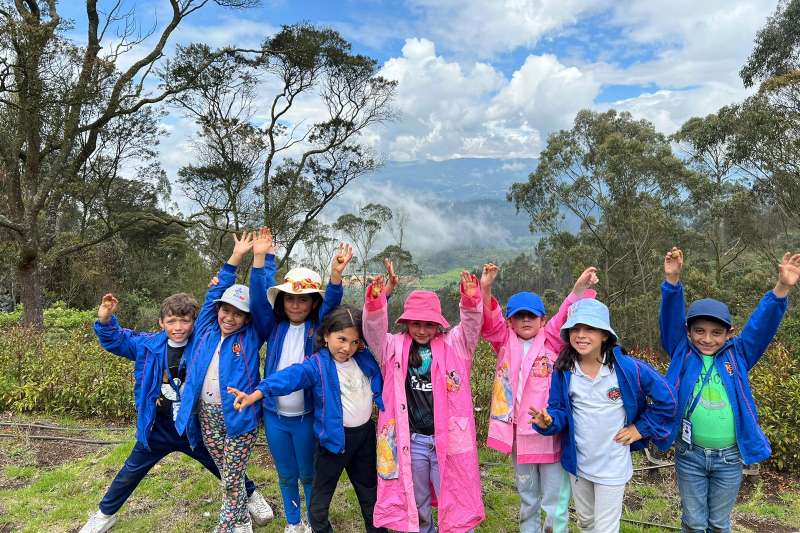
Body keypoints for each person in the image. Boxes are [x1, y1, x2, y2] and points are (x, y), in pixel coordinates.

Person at [80, 292, 272, 533]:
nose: (178, 327)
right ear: (161, 323)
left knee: (223, 465)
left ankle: (251, 494)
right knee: (131, 470)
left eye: (185, 321)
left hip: (192, 428)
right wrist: (106, 320)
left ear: (195, 322)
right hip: (157, 428)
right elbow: (117, 340)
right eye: (171, 321)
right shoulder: (148, 345)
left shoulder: (204, 343)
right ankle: (104, 514)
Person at [660, 247, 800, 533]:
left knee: (718, 523)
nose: (707, 338)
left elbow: (760, 327)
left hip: (730, 457)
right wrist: (672, 282)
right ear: (688, 332)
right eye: (699, 331)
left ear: (729, 334)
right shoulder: (681, 351)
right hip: (690, 455)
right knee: (693, 522)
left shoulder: (739, 354)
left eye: (716, 332)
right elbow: (669, 321)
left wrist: (781, 288)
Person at [227, 305, 386, 533]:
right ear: (326, 335)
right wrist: (256, 393)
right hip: (333, 442)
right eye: (341, 339)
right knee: (318, 507)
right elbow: (289, 377)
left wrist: (380, 297)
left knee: (370, 496)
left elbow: (376, 330)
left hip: (364, 439)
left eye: (354, 341)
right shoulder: (317, 364)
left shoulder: (364, 359)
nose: (347, 348)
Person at [531, 298, 676, 532]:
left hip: (613, 465)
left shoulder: (627, 368)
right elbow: (558, 411)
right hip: (579, 465)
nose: (581, 335)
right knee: (586, 522)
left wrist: (640, 428)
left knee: (606, 527)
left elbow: (667, 399)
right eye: (575, 329)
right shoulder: (565, 370)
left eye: (589, 328)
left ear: (605, 335)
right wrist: (547, 423)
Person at [362, 264, 485, 533]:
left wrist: (472, 300)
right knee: (416, 501)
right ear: (406, 323)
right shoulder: (393, 347)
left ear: (438, 324)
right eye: (416, 323)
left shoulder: (455, 346)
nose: (422, 330)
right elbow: (373, 332)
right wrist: (374, 303)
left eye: (429, 324)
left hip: (450, 439)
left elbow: (471, 327)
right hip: (412, 440)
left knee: (457, 495)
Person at [480, 265, 598, 533]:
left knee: (555, 501)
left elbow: (567, 310)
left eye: (531, 316)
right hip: (519, 438)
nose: (525, 321)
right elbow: (489, 319)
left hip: (549, 434)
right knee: (528, 498)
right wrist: (485, 288)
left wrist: (579, 287)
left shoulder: (552, 341)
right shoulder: (503, 341)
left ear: (542, 320)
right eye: (518, 316)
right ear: (510, 321)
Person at [174, 228, 273, 533]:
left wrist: (261, 260)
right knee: (227, 472)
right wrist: (235, 258)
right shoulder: (205, 328)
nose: (229, 317)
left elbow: (261, 304)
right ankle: (244, 518)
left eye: (237, 314)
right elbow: (212, 297)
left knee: (230, 477)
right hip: (207, 416)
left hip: (240, 416)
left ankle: (230, 525)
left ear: (247, 318)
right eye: (225, 310)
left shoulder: (252, 334)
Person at [257, 243, 354, 533]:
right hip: (275, 417)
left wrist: (335, 277)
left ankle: (313, 521)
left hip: (307, 416)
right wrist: (265, 259)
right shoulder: (273, 327)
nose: (295, 305)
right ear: (282, 301)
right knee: (286, 474)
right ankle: (292, 521)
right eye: (290, 299)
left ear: (313, 303)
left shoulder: (317, 330)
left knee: (308, 475)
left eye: (303, 300)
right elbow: (258, 295)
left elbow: (332, 304)